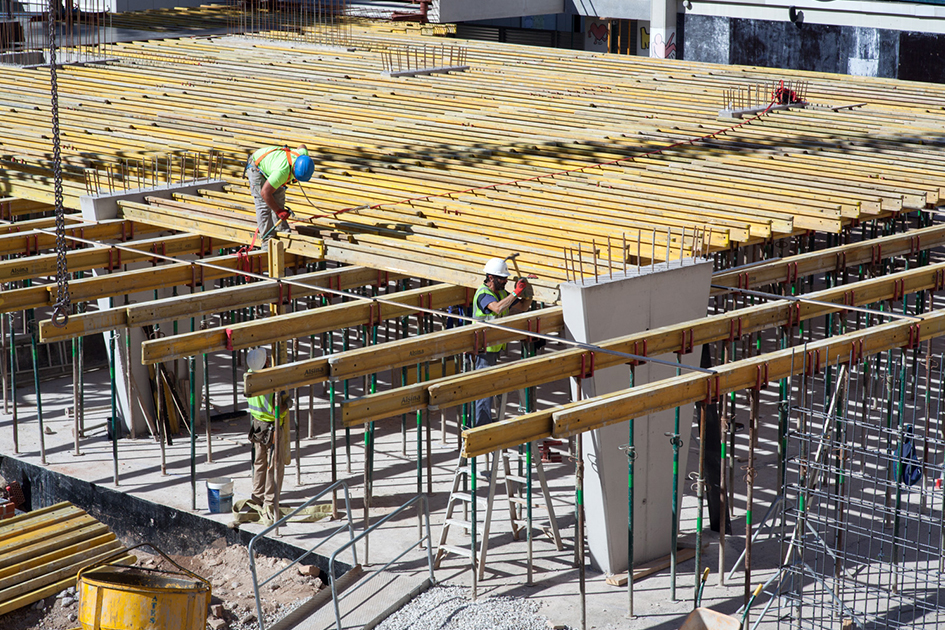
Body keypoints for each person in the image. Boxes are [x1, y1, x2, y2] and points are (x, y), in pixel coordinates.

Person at [471, 257, 531, 427]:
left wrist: (528, 292)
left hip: (495, 346)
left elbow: (522, 307)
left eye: (505, 278)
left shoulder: (503, 293)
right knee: (484, 389)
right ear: (491, 278)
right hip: (483, 348)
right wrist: (516, 292)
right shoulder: (483, 294)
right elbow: (497, 308)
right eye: (501, 278)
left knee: (492, 386)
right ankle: (481, 425)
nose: (505, 281)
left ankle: (487, 421)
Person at [245, 347, 292, 523]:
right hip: (272, 428)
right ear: (265, 362)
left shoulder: (249, 376)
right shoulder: (270, 382)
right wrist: (287, 404)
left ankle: (256, 497)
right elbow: (277, 412)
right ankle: (270, 502)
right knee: (274, 466)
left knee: (259, 463)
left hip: (257, 426)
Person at [244, 144, 315, 242]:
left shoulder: (302, 155)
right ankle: (267, 240)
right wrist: (279, 211)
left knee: (278, 200)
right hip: (256, 167)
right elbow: (265, 193)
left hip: (273, 167)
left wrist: (278, 209)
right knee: (263, 206)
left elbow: (302, 146)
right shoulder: (281, 172)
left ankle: (283, 233)